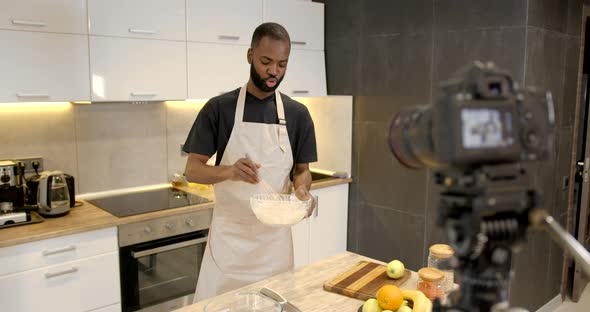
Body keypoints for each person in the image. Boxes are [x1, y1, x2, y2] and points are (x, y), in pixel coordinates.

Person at [182, 22, 318, 301]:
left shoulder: (298, 114)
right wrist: (230, 171)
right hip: (229, 245)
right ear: (250, 56)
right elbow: (192, 170)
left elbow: (302, 171)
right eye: (266, 62)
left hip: (274, 248)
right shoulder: (219, 108)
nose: (273, 72)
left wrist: (303, 191)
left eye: (282, 64)